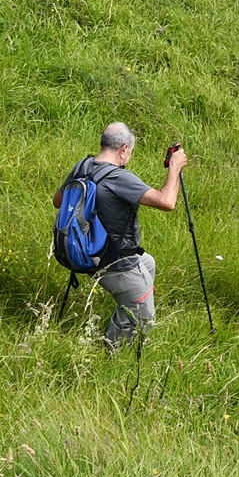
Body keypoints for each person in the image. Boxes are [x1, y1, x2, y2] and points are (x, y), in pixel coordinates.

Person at [54, 122, 185, 348]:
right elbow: (167, 202)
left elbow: (58, 201)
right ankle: (111, 352)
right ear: (123, 150)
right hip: (114, 261)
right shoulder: (118, 177)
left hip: (86, 251)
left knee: (148, 262)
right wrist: (175, 168)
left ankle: (126, 307)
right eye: (130, 152)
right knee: (144, 319)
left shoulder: (82, 167)